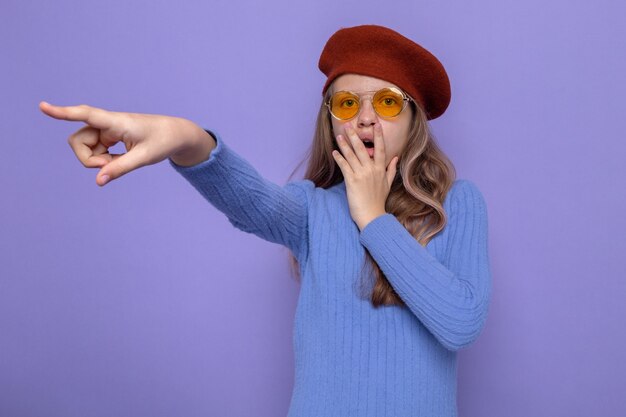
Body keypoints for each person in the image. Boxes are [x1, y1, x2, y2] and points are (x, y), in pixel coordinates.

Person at [40, 24, 491, 417]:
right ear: (331, 120)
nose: (367, 119)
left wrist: (372, 218)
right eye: (348, 103)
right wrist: (185, 138)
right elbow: (250, 201)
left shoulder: (457, 205)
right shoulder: (313, 210)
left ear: (414, 119)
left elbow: (461, 323)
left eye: (389, 103)